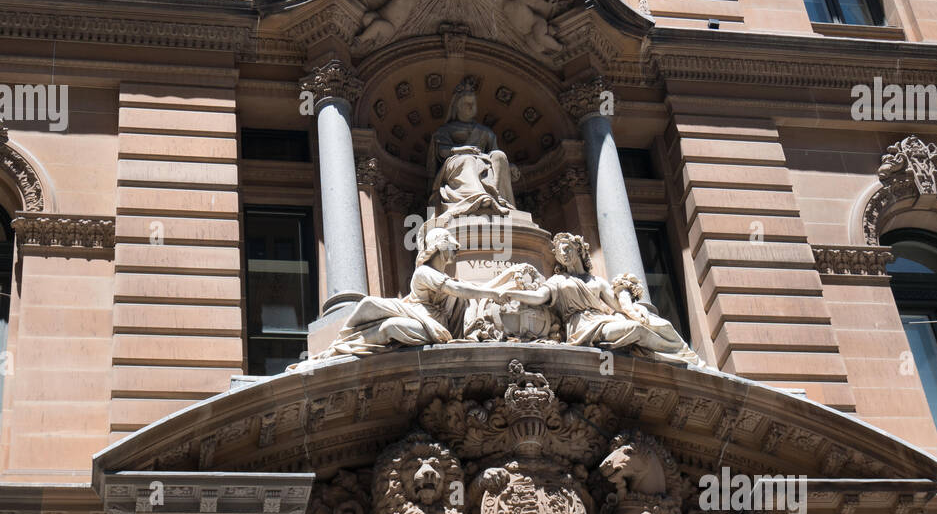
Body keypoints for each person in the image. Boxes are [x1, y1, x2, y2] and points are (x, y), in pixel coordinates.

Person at [299, 228, 511, 362]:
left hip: (434, 325)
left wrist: (503, 285)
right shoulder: (424, 273)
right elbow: (458, 290)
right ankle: (339, 345)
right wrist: (493, 293)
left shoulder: (449, 279)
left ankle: (343, 347)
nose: (456, 247)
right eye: (450, 241)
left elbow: (467, 289)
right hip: (418, 315)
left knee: (389, 327)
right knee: (368, 303)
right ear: (439, 245)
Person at [513, 233, 710, 368]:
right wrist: (508, 294)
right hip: (582, 327)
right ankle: (665, 357)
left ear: (578, 249)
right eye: (559, 252)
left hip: (602, 320)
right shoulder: (558, 280)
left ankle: (683, 357)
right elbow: (539, 297)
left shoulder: (597, 281)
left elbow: (618, 307)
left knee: (661, 324)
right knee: (636, 329)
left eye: (567, 249)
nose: (563, 254)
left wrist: (632, 304)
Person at [426, 78, 517, 220]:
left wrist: (510, 167)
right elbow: (442, 151)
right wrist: (461, 150)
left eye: (473, 104)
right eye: (467, 104)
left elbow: (495, 151)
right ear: (457, 106)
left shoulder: (485, 131)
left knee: (499, 155)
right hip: (456, 162)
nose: (471, 107)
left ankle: (497, 197)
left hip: (483, 161)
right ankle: (478, 197)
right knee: (467, 160)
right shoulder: (446, 130)